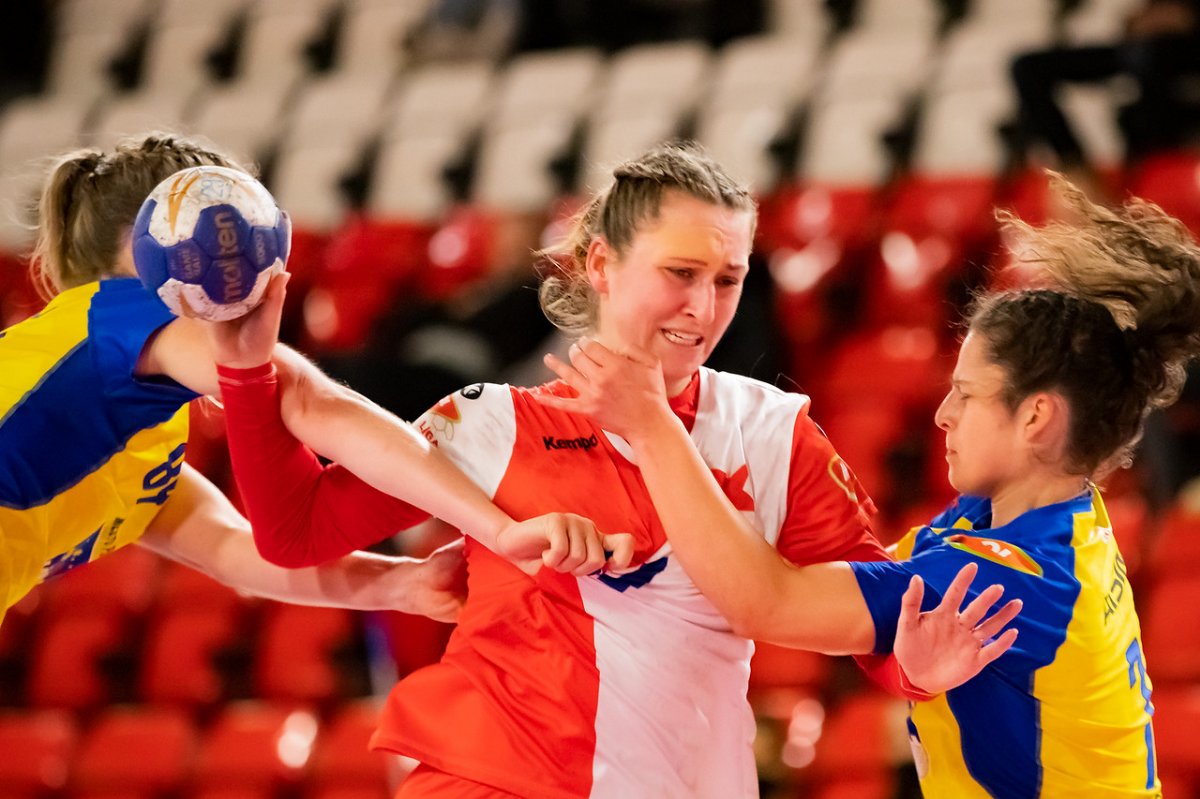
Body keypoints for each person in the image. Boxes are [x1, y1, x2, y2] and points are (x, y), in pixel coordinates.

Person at [211, 142, 1016, 798]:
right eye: (680, 273)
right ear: (599, 264)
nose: (703, 308)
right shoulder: (492, 422)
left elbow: (872, 618)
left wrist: (912, 669)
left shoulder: (773, 432)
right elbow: (294, 532)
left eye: (728, 280)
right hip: (492, 778)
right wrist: (245, 372)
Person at [542, 172, 1197, 797]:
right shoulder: (1027, 521)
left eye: (967, 394)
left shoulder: (1002, 578)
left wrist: (652, 427)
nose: (943, 414)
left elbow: (768, 604)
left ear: (1035, 417)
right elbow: (855, 585)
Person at [0, 131, 630, 629]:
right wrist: (497, 526)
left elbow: (229, 549)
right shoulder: (123, 309)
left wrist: (399, 584)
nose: (235, 266)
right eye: (220, 233)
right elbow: (306, 400)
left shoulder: (132, 424)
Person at [1011, 0, 1200, 192]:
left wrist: (1181, 18)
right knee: (1028, 68)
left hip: (1179, 51)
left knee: (1146, 59)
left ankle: (1157, 167)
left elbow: (1177, 19)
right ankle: (1076, 171)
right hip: (1142, 48)